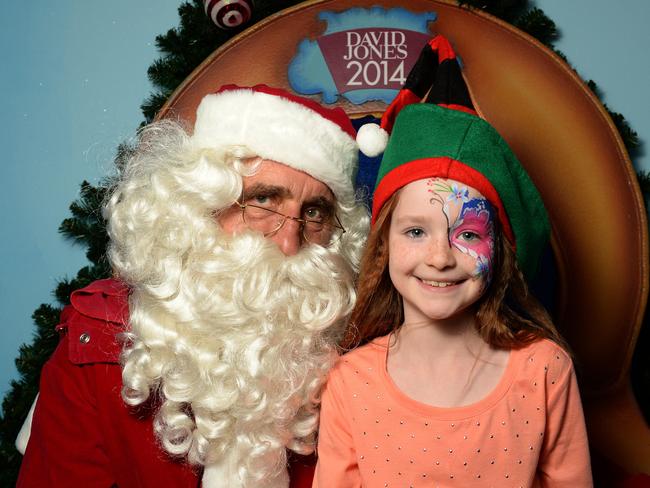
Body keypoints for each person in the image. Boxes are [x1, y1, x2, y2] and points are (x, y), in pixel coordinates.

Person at [17, 85, 369, 488]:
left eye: (314, 213)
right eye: (264, 200)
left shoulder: (359, 352)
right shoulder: (98, 339)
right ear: (199, 203)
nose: (289, 244)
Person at [314, 35, 593, 487]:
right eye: (416, 231)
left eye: (467, 234)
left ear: (499, 248)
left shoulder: (544, 370)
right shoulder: (350, 382)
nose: (440, 257)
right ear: (383, 245)